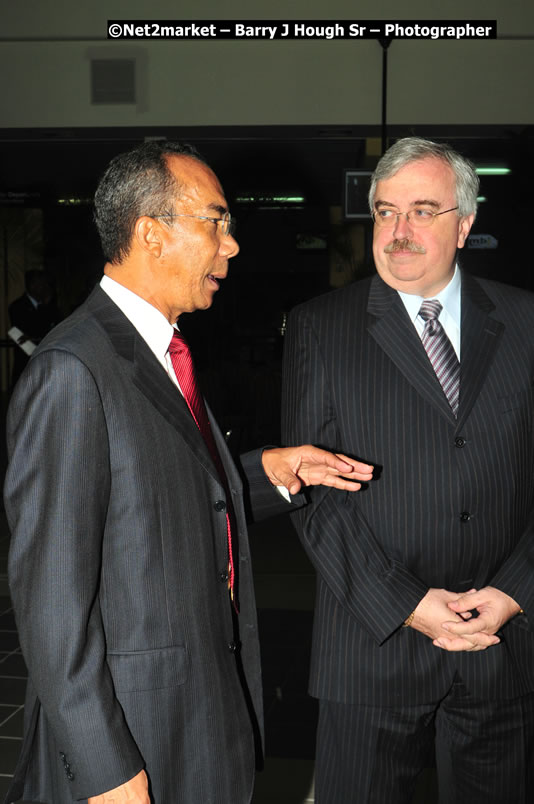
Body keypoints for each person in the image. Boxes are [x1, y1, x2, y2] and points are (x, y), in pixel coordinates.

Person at [3, 141, 373, 804]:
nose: (231, 247)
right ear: (150, 232)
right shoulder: (73, 370)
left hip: (199, 714)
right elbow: (51, 606)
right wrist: (106, 769)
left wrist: (268, 472)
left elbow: (161, 497)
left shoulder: (159, 352)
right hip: (137, 735)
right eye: (215, 222)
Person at [282, 137, 534, 803]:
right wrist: (408, 605)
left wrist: (513, 592)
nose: (399, 231)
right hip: (371, 646)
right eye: (385, 211)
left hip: (501, 644)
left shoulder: (526, 321)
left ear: (466, 223)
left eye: (423, 210)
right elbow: (312, 496)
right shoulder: (320, 329)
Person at [8, 269, 59, 387]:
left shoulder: (49, 306)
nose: (45, 288)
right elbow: (29, 332)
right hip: (26, 365)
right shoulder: (17, 307)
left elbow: (56, 327)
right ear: (33, 285)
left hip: (45, 364)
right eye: (42, 284)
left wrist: (48, 306)